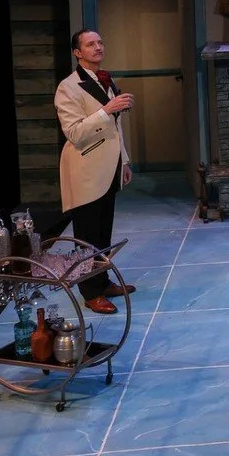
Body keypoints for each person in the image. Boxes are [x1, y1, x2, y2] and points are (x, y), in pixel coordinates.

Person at [55, 29, 139, 314]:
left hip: (108, 167)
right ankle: (90, 293)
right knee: (87, 236)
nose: (98, 47)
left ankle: (101, 281)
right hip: (86, 169)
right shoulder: (68, 87)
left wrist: (124, 161)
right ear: (77, 52)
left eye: (100, 42)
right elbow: (75, 133)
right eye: (90, 44)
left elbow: (115, 128)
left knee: (103, 233)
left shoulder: (105, 79)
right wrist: (107, 109)